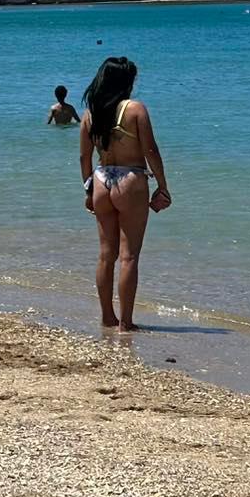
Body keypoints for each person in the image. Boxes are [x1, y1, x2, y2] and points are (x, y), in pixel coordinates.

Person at [76, 57, 170, 331]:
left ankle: (107, 316)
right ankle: (126, 322)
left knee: (106, 255)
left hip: (101, 179)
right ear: (126, 82)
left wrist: (87, 189)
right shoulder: (135, 109)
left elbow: (84, 157)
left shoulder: (89, 114)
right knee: (129, 256)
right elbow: (151, 150)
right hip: (130, 179)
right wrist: (162, 186)